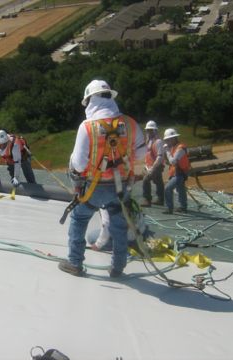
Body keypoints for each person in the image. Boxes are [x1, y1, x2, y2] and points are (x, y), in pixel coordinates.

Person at [58, 79, 145, 278]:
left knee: (79, 219)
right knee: (119, 225)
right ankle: (117, 267)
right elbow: (141, 154)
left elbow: (79, 164)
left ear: (90, 100)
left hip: (94, 187)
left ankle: (75, 262)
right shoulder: (130, 124)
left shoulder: (87, 126)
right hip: (121, 187)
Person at [162, 128, 191, 214]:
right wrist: (166, 153)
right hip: (176, 173)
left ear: (174, 138)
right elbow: (168, 162)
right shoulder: (173, 147)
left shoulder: (180, 148)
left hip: (180, 173)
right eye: (166, 140)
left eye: (168, 139)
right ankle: (183, 207)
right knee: (180, 189)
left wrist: (167, 151)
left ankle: (169, 208)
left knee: (167, 188)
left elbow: (173, 161)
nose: (167, 142)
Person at [140, 120, 165, 207]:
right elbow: (147, 154)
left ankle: (147, 199)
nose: (149, 132)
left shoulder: (158, 142)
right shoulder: (149, 141)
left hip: (156, 166)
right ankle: (160, 198)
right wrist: (146, 166)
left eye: (151, 130)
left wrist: (153, 168)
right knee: (158, 181)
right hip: (149, 166)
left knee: (146, 180)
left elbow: (160, 156)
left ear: (154, 130)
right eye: (148, 130)